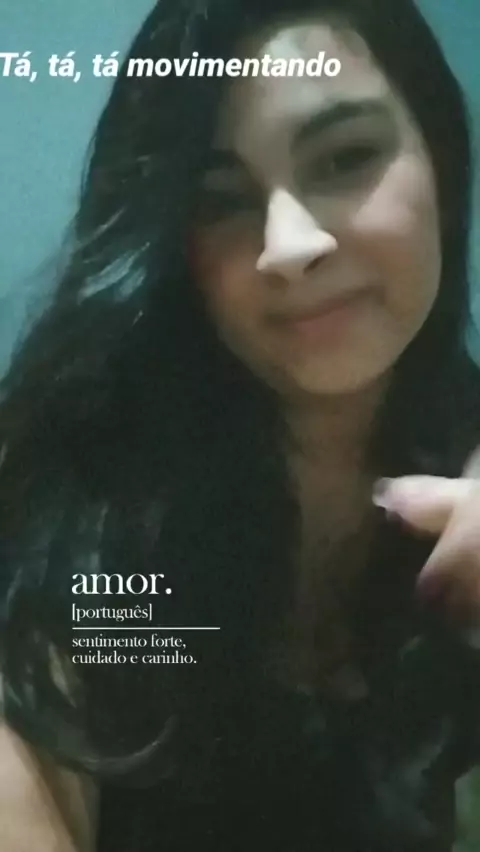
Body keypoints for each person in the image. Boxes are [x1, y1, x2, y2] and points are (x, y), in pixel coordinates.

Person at [1, 0, 480, 848]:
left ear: (441, 164)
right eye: (221, 199)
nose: (289, 246)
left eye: (346, 157)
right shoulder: (80, 506)